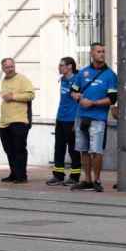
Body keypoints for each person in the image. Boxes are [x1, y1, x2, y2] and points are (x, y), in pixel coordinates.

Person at [70, 43, 118, 193]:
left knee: (96, 151)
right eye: (99, 51)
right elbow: (73, 91)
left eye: (103, 51)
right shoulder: (82, 73)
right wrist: (78, 98)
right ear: (91, 53)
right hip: (81, 116)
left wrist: (93, 103)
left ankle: (97, 179)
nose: (102, 54)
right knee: (83, 149)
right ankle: (87, 179)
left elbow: (112, 98)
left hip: (98, 118)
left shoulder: (110, 75)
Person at [0, 58, 35, 184]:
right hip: (4, 122)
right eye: (7, 67)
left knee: (19, 149)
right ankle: (13, 173)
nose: (10, 69)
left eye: (12, 66)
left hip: (19, 120)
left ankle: (21, 176)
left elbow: (31, 95)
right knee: (9, 149)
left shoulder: (22, 79)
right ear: (3, 69)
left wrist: (13, 96)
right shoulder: (3, 80)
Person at [46, 57, 80, 186]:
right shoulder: (63, 80)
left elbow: (79, 100)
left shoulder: (77, 80)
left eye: (61, 65)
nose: (59, 67)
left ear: (70, 66)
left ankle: (75, 176)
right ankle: (58, 175)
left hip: (72, 119)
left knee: (73, 149)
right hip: (61, 118)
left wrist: (77, 120)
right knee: (59, 147)